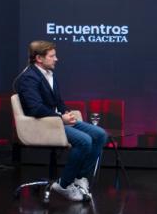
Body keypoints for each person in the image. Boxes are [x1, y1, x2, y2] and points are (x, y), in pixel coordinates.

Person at [14, 40, 108, 202]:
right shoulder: (28, 78)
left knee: (100, 135)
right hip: (42, 124)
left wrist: (66, 113)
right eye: (52, 56)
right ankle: (64, 185)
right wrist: (60, 118)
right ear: (39, 58)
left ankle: (80, 179)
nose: (56, 59)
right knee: (84, 141)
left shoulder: (49, 74)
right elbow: (36, 109)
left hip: (57, 121)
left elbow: (57, 101)